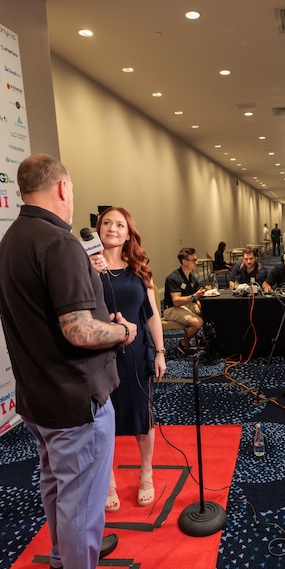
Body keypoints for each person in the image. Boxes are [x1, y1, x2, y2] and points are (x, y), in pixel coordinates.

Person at [0, 154, 138, 569]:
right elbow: (78, 330)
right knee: (82, 500)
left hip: (38, 396)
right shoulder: (58, 242)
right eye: (71, 189)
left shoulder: (11, 241)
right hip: (76, 399)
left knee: (55, 484)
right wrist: (122, 333)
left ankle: (63, 555)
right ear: (61, 188)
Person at [93, 207, 166, 512]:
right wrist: (88, 269)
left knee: (141, 416)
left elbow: (152, 316)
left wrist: (160, 352)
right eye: (107, 223)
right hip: (99, 356)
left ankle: (146, 472)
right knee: (102, 419)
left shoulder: (139, 270)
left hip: (136, 355)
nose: (112, 228)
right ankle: (107, 479)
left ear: (128, 234)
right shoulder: (86, 267)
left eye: (120, 225)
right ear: (99, 230)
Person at [162, 247, 206, 355]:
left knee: (210, 311)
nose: (196, 262)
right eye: (193, 260)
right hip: (171, 309)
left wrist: (198, 301)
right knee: (198, 323)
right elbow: (176, 301)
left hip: (187, 305)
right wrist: (194, 297)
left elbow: (195, 297)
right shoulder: (173, 278)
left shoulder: (192, 277)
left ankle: (205, 338)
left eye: (196, 259)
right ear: (184, 262)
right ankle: (182, 345)